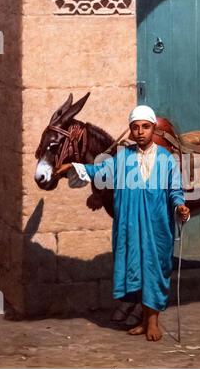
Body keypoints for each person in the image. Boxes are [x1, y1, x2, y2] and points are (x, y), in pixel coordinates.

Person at [56, 105, 190, 341]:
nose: (140, 132)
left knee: (154, 270)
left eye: (145, 127)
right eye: (135, 127)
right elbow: (98, 169)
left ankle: (153, 322)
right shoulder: (122, 157)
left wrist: (180, 205)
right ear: (130, 131)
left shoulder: (166, 159)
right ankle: (142, 320)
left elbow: (175, 189)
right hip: (130, 226)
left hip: (157, 227)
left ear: (153, 130)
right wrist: (73, 166)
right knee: (135, 268)